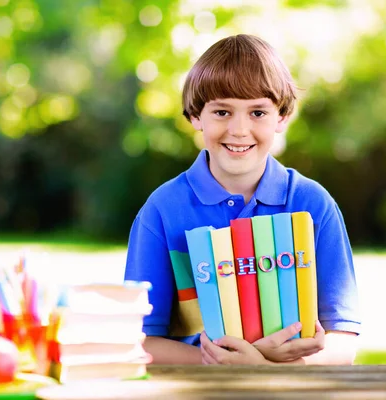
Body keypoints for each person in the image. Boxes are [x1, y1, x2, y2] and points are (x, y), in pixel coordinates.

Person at [124, 34, 361, 365]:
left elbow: (343, 342)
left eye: (257, 113)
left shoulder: (313, 204)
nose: (238, 129)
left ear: (282, 117)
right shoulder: (162, 210)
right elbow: (140, 340)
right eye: (222, 111)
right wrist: (225, 364)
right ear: (195, 116)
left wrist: (266, 370)